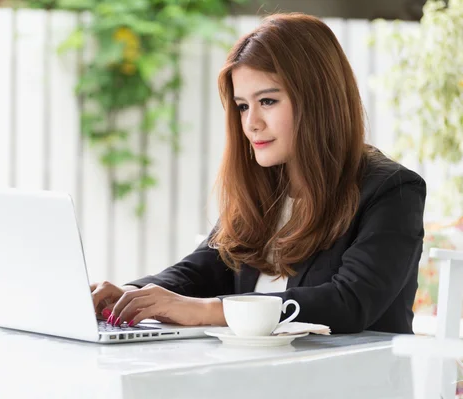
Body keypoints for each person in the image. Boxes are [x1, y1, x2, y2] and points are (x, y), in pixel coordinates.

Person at [90, 12, 426, 334]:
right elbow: (205, 267)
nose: (251, 123)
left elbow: (350, 302)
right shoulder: (266, 185)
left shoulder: (392, 190)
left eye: (267, 101)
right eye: (242, 106)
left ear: (318, 100)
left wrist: (210, 311)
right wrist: (131, 295)